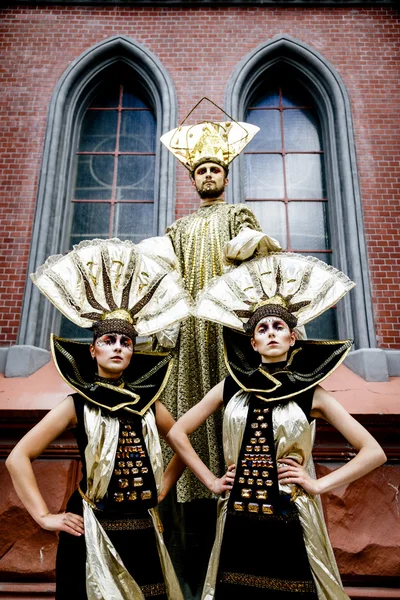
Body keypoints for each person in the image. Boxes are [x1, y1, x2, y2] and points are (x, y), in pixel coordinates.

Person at [167, 252, 387, 600]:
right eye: (262, 328)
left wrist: (317, 485)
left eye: (279, 327)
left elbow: (374, 452)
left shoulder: (312, 393)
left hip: (290, 518)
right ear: (253, 343)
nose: (271, 333)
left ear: (292, 338)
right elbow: (177, 432)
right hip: (238, 516)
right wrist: (210, 480)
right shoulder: (230, 386)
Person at [6, 238, 191, 600]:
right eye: (109, 340)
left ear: (134, 350)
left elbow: (184, 445)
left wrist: (163, 487)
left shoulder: (149, 405)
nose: (119, 346)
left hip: (142, 527)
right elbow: (18, 458)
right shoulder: (76, 405)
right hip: (91, 526)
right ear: (93, 350)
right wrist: (45, 517)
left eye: (126, 341)